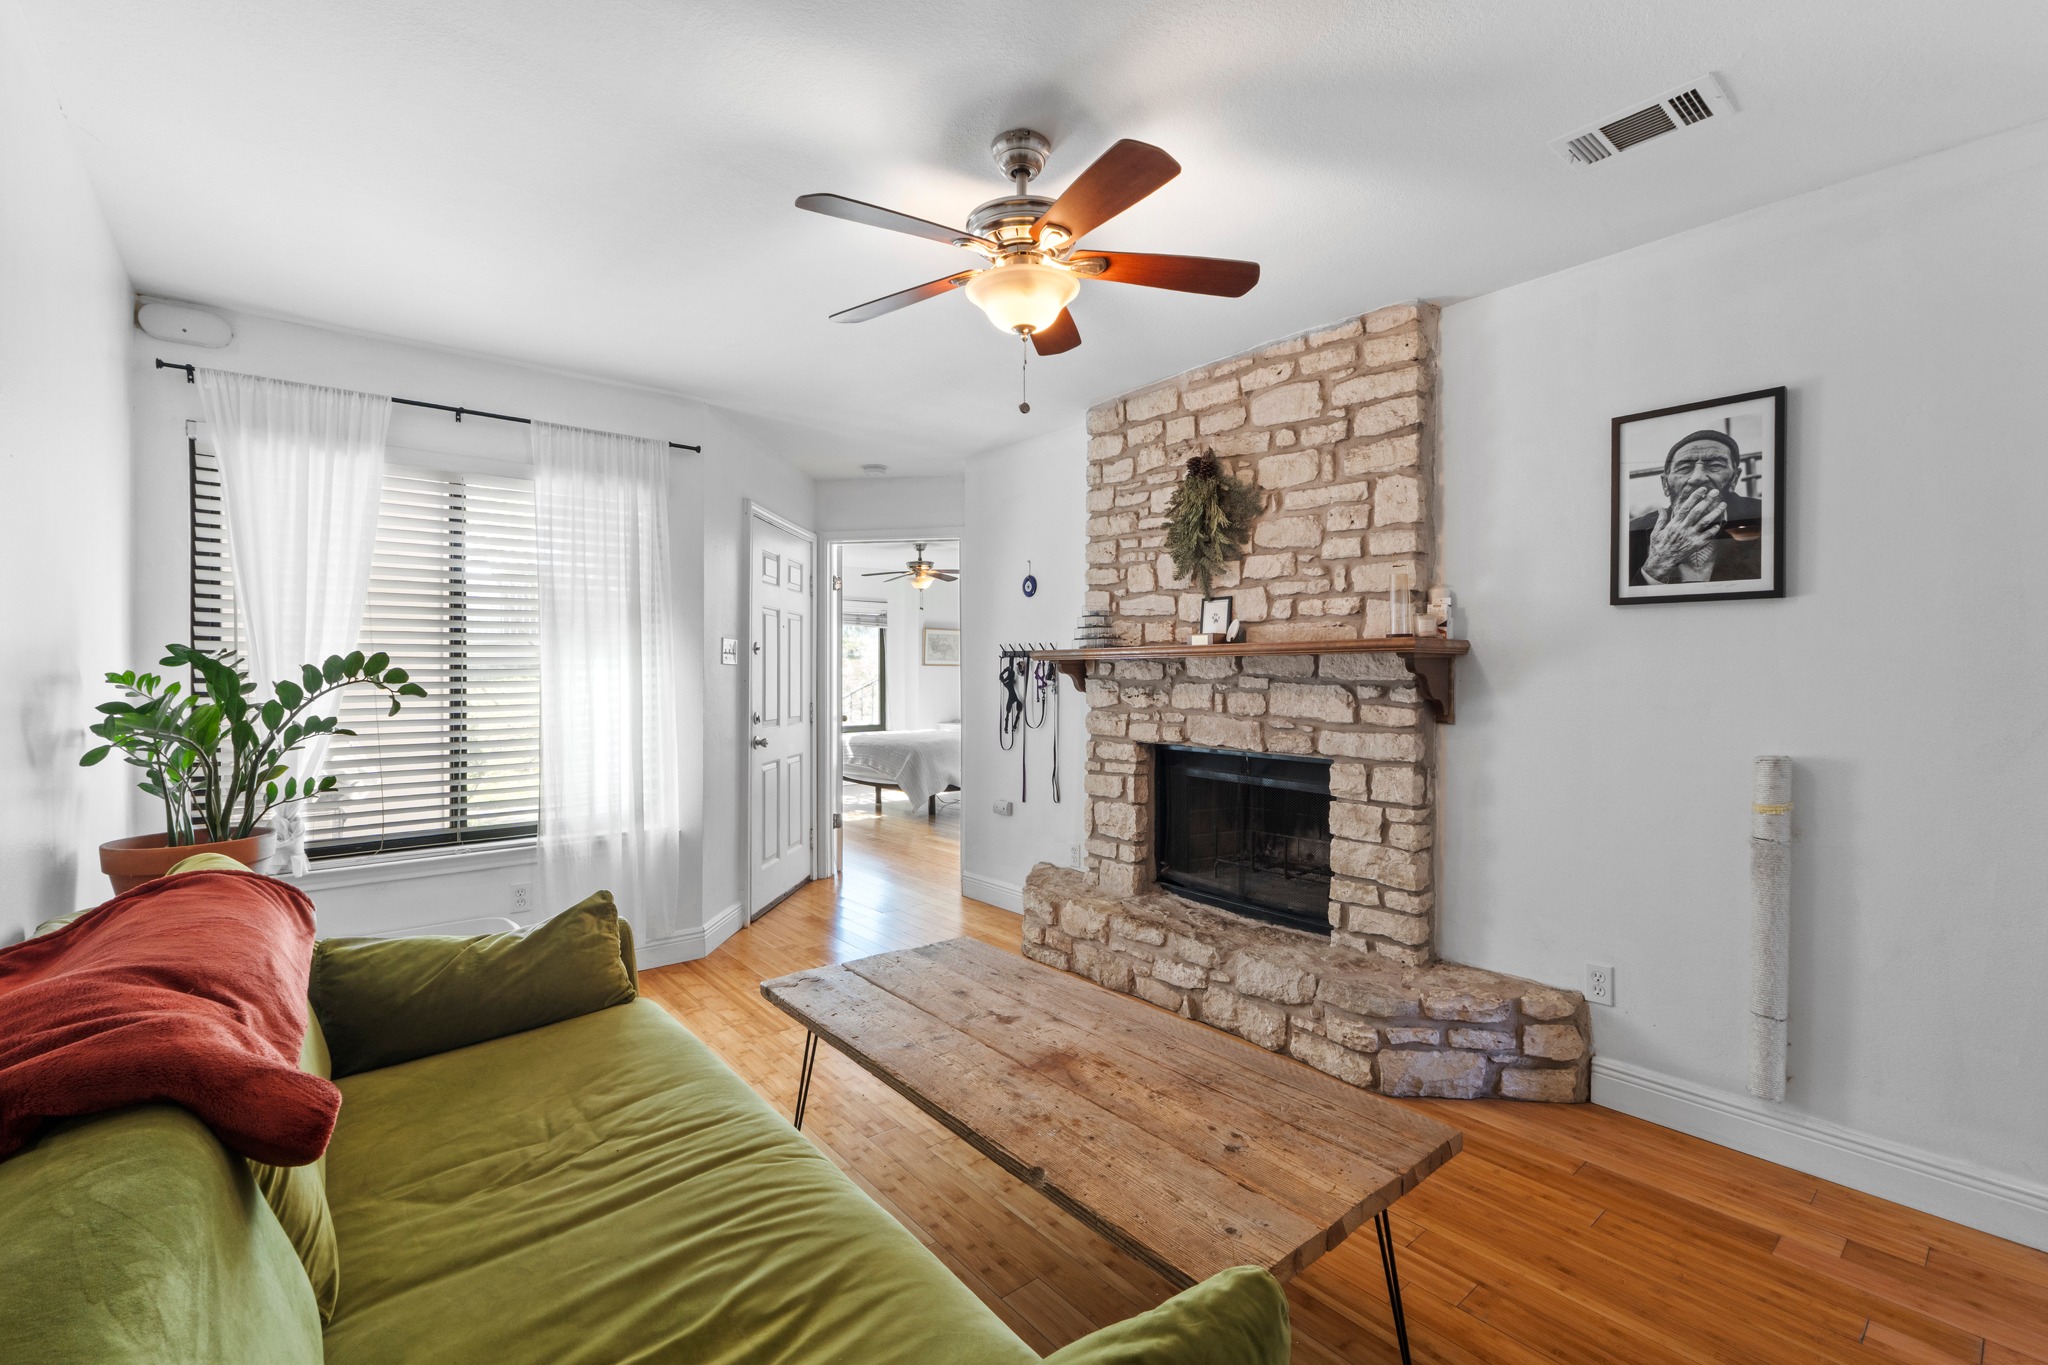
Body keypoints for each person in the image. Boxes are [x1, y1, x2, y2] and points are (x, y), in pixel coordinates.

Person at [1628, 429, 1763, 586]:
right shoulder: (1631, 532)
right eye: (1684, 468)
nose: (1697, 478)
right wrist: (1658, 564)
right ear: (1665, 484)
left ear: (1734, 479)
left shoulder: (1767, 518)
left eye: (1715, 466)